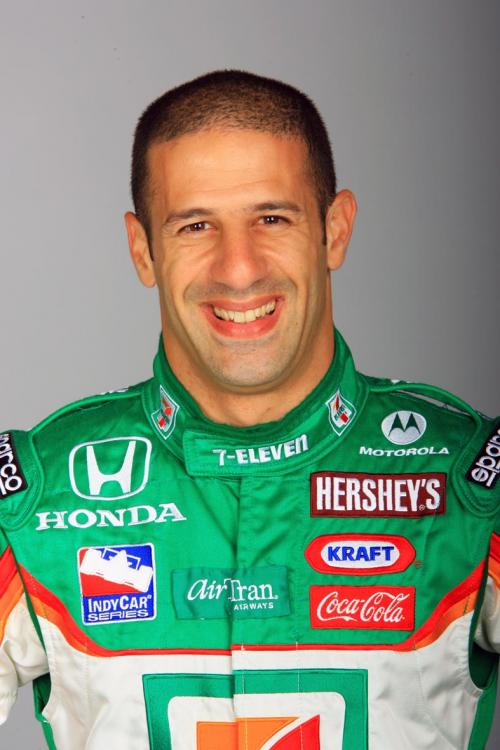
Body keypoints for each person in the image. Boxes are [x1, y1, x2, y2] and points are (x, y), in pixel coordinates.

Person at [0, 69, 498, 750]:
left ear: (334, 231)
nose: (239, 268)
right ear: (144, 251)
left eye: (272, 218)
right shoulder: (32, 500)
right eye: (196, 225)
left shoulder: (472, 484)